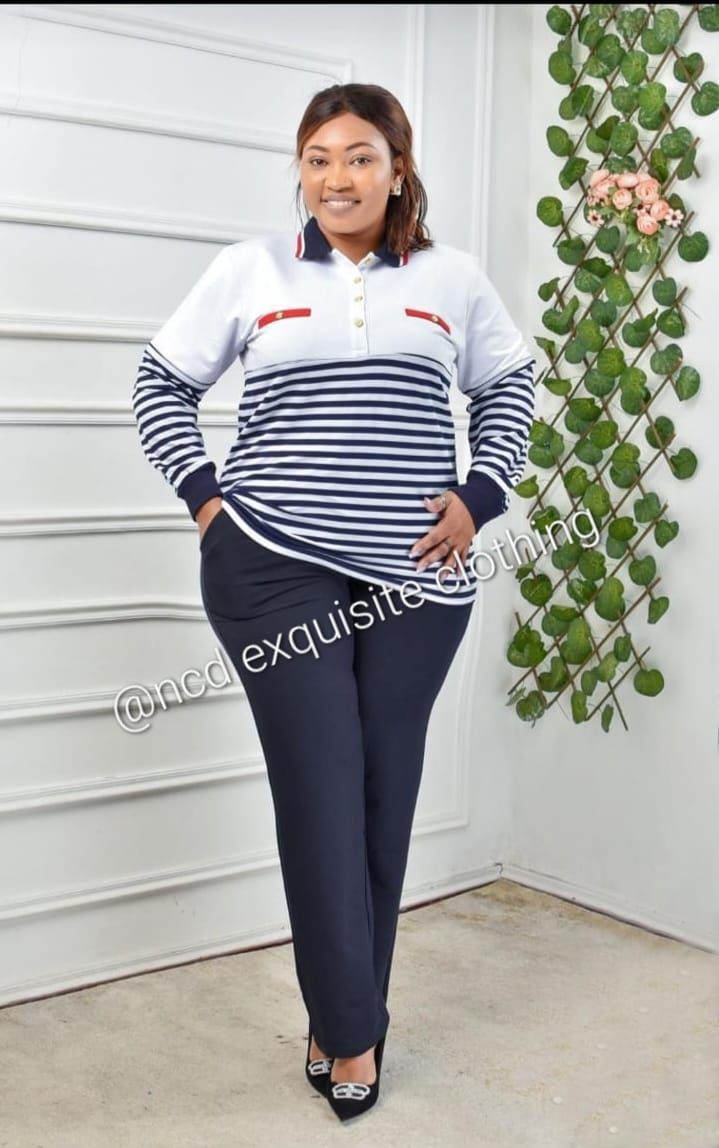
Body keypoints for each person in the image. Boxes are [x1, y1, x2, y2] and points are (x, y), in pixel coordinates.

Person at [131, 82, 535, 1121]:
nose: (336, 178)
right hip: (272, 565)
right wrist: (208, 502)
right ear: (300, 172)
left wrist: (479, 495)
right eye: (317, 158)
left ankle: (341, 1012)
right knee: (320, 785)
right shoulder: (250, 270)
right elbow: (159, 383)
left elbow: (509, 386)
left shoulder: (451, 279)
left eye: (359, 157)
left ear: (397, 169)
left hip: (417, 576)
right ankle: (352, 1030)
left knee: (381, 792)